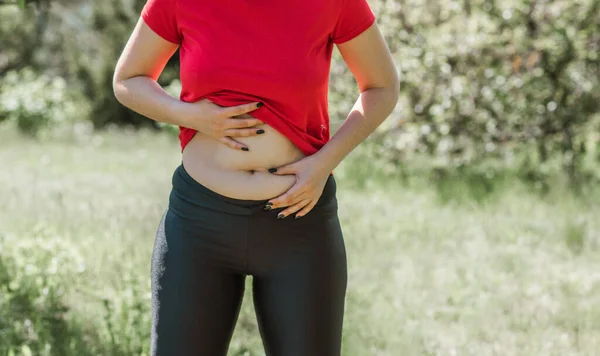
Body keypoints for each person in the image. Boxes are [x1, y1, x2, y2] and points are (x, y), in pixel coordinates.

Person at [112, 0, 399, 354]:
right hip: (199, 224)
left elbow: (382, 86)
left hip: (298, 222)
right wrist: (191, 115)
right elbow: (128, 80)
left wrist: (325, 162)